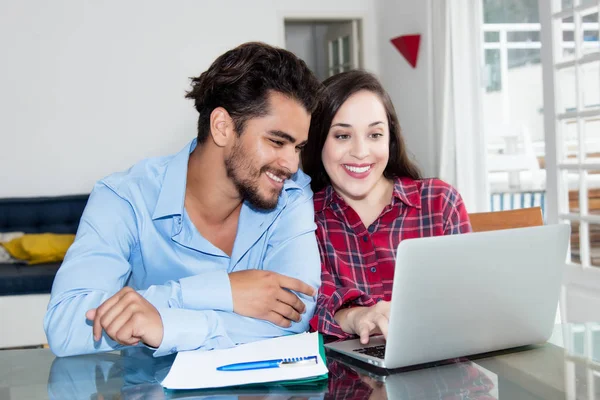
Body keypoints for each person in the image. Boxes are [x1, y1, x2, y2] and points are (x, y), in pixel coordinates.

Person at [44, 42, 323, 357]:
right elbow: (66, 327)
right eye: (277, 141)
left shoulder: (292, 195)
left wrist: (164, 324)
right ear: (222, 127)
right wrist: (223, 292)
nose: (291, 164)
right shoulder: (125, 198)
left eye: (297, 147)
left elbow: (294, 318)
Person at [301, 70, 471, 344]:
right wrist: (354, 316)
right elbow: (306, 306)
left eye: (375, 134)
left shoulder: (440, 203)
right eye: (342, 136)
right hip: (347, 380)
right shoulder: (304, 216)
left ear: (389, 140)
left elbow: (469, 301)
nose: (360, 151)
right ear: (318, 141)